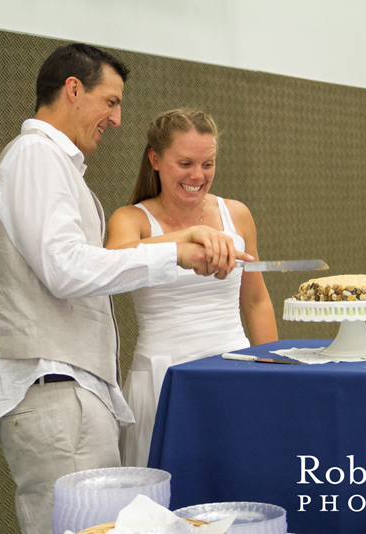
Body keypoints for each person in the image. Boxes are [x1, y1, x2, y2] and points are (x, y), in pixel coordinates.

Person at [0, 45, 250, 534]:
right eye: (110, 101)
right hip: (56, 389)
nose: (118, 118)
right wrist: (173, 251)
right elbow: (65, 270)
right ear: (73, 89)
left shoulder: (57, 167)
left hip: (75, 391)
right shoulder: (36, 156)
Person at [106, 109, 279, 467]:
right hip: (162, 379)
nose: (197, 176)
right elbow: (112, 260)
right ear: (155, 159)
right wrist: (185, 238)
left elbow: (257, 300)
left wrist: (272, 368)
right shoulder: (132, 218)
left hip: (234, 369)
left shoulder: (237, 215)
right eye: (185, 163)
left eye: (208, 164)